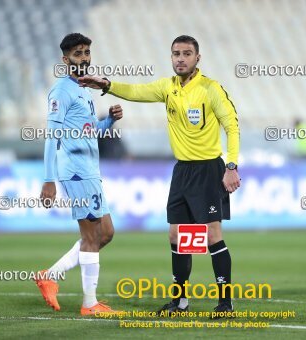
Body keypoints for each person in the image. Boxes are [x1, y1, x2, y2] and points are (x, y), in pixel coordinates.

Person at [78, 35, 241, 318]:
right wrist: (108, 85)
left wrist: (231, 166)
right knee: (177, 235)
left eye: (187, 53)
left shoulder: (210, 89)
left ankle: (225, 303)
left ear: (197, 58)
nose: (180, 58)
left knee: (212, 236)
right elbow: (138, 91)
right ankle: (180, 302)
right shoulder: (168, 87)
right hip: (182, 171)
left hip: (207, 169)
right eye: (176, 53)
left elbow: (232, 126)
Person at [35, 33, 123, 315]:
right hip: (74, 172)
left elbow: (89, 133)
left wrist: (108, 120)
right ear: (65, 60)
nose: (84, 57)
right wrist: (49, 179)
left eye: (86, 52)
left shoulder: (85, 89)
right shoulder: (61, 91)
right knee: (91, 235)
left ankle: (50, 275)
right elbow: (52, 136)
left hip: (90, 171)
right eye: (77, 53)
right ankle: (89, 303)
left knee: (105, 233)